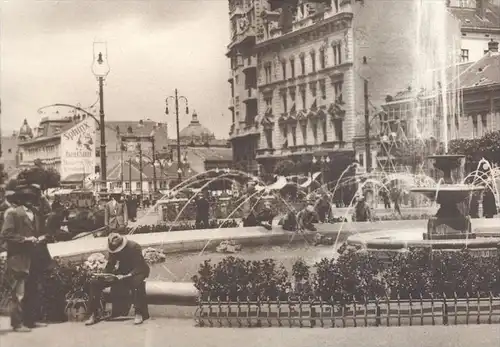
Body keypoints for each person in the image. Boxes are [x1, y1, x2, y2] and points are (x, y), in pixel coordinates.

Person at [0, 183, 48, 332]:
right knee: (18, 292)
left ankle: (30, 320)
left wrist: (42, 237)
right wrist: (25, 239)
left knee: (33, 289)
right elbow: (5, 234)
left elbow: (39, 230)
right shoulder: (13, 213)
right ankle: (17, 323)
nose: (31, 200)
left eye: (32, 197)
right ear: (21, 199)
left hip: (33, 257)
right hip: (18, 258)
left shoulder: (35, 213)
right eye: (27, 198)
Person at [85, 233, 150, 326]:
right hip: (122, 271)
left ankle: (139, 313)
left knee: (136, 283)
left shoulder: (134, 247)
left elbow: (139, 266)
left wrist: (127, 275)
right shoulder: (113, 247)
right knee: (95, 283)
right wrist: (104, 275)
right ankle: (93, 314)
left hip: (138, 271)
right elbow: (111, 264)